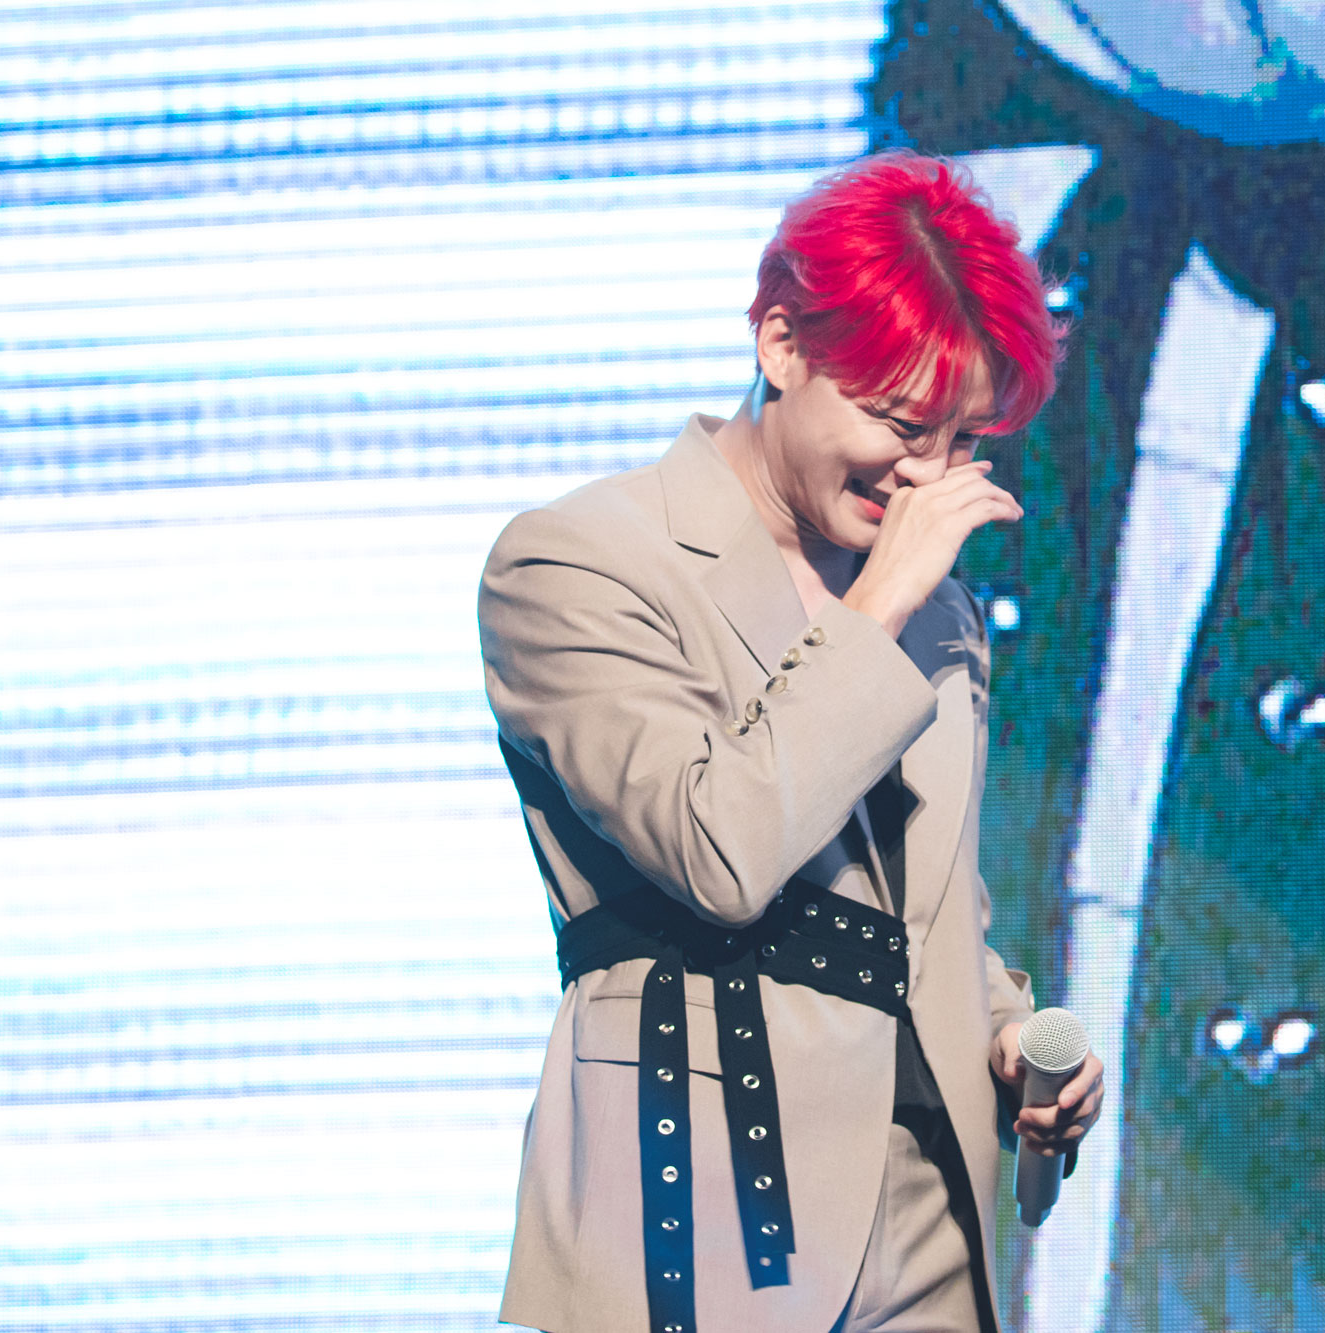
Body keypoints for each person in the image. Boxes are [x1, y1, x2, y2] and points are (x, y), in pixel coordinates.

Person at [477, 151, 1106, 1333]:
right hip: (701, 1191)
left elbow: (925, 910)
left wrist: (1012, 1036)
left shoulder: (940, 617)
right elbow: (718, 849)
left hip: (922, 1214)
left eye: (960, 439)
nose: (925, 474)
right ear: (780, 344)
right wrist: (879, 607)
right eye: (900, 423)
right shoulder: (579, 560)